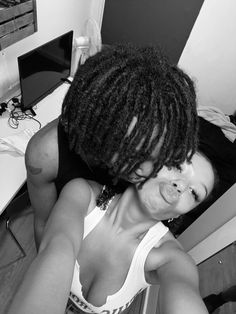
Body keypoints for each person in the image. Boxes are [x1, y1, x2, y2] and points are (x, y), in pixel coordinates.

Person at [25, 44, 198, 247]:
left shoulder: (169, 151)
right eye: (133, 154)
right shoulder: (46, 154)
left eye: (158, 157)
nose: (147, 171)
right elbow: (43, 224)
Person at [9, 149, 216, 314]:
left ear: (185, 212)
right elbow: (57, 250)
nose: (181, 186)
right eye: (176, 166)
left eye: (194, 193)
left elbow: (185, 295)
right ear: (147, 164)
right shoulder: (82, 194)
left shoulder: (170, 257)